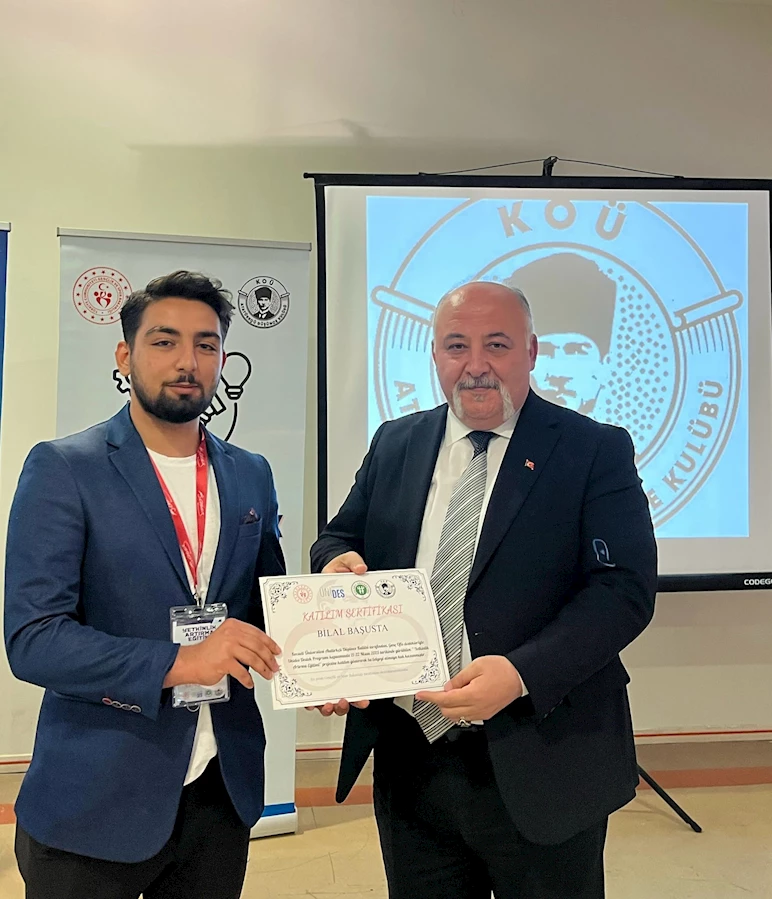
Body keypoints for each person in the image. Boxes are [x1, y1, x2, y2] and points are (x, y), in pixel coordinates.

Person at [309, 281, 657, 899]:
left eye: (496, 345)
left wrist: (522, 674)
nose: (475, 365)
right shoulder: (396, 442)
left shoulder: (592, 449)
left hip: (542, 753)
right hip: (410, 759)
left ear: (531, 351)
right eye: (456, 346)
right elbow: (338, 537)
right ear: (435, 356)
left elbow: (623, 590)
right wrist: (337, 566)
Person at [5, 271, 284, 899]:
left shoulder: (250, 473)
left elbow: (266, 604)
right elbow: (34, 639)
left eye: (207, 344)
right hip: (94, 800)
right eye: (164, 342)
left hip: (220, 790)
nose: (188, 361)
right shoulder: (64, 468)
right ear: (125, 355)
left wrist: (329, 631)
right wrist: (181, 661)